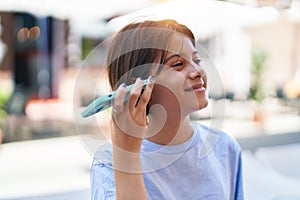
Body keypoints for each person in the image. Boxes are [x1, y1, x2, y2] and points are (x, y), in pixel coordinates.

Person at [90, 19, 244, 200]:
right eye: (178, 64)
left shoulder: (225, 148)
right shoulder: (109, 162)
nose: (197, 71)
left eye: (196, 60)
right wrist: (127, 156)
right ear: (139, 86)